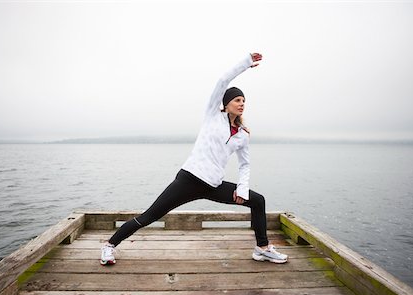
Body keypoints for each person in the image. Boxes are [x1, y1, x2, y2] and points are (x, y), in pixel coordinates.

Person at [100, 52, 288, 265]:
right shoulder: (212, 116)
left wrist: (242, 189)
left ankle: (262, 248)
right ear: (226, 103)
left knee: (257, 200)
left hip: (213, 185)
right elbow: (223, 80)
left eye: (244, 100)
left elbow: (245, 164)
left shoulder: (243, 134)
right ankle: (109, 246)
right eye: (237, 100)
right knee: (149, 216)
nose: (242, 103)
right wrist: (245, 63)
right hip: (189, 179)